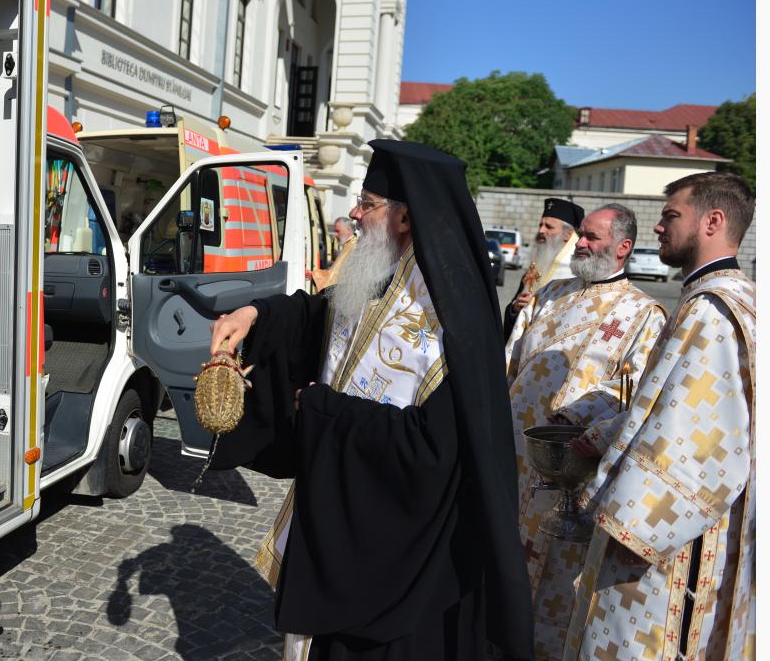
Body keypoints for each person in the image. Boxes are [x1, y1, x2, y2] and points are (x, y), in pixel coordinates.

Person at [207, 140, 533, 661]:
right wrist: (258, 315)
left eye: (368, 203)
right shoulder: (380, 272)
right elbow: (324, 317)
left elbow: (436, 449)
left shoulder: (455, 318)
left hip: (402, 542)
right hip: (343, 497)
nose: (354, 214)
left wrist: (322, 413)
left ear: (405, 217)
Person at [562, 172, 755, 660]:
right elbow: (665, 402)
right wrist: (609, 431)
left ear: (712, 221)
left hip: (671, 541)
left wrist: (631, 523)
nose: (657, 228)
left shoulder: (710, 310)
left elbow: (698, 441)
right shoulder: (738, 298)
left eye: (671, 215)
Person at [502, 203, 668, 660]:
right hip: (512, 458)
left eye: (593, 237)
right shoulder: (549, 293)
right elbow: (512, 360)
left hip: (569, 466)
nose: (582, 243)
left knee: (557, 579)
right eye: (582, 236)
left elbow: (637, 389)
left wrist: (576, 415)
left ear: (623, 247)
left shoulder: (642, 313)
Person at [503, 199, 585, 339]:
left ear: (568, 234)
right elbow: (514, 306)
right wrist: (515, 308)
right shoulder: (537, 262)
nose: (541, 230)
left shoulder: (576, 270)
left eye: (549, 227)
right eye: (540, 225)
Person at [311, 217, 357, 291]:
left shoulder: (353, 247)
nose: (335, 235)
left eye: (338, 231)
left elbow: (336, 276)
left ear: (348, 230)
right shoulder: (348, 245)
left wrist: (315, 274)